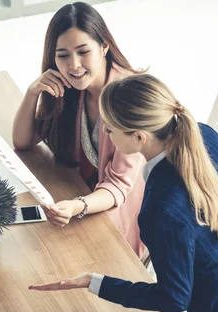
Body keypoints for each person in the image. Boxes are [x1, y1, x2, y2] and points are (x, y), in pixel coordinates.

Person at [29, 74, 218, 312]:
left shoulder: (160, 211)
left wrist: (94, 282)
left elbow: (174, 297)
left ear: (139, 137)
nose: (105, 132)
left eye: (111, 128)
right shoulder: (204, 135)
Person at [12, 2, 146, 258]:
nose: (73, 65)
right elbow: (23, 141)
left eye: (83, 52)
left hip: (123, 214)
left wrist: (76, 206)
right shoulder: (71, 89)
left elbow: (118, 188)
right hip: (83, 194)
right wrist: (32, 93)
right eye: (62, 55)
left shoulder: (127, 99)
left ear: (104, 47)